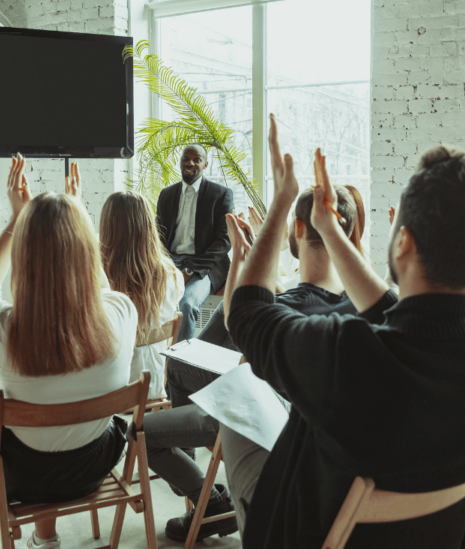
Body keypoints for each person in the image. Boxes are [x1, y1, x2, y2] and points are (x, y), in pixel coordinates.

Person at [222, 114, 465, 548]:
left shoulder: (348, 355)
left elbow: (247, 315)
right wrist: (328, 229)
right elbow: (401, 311)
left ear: (403, 242)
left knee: (233, 414)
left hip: (307, 533)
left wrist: (282, 203)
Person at [142, 186, 362, 543]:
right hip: (324, 446)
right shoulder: (363, 303)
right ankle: (203, 499)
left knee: (142, 430)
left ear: (300, 230)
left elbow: (245, 371)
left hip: (261, 427)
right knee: (182, 365)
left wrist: (244, 264)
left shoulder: (279, 312)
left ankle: (206, 501)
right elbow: (279, 291)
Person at [0, 157, 138, 549]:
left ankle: (45, 539)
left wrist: (16, 221)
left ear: (22, 257)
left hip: (23, 474)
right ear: (88, 251)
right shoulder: (122, 313)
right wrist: (77, 217)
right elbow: (102, 289)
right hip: (95, 463)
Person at [99, 189, 184, 399]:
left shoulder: (98, 278)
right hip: (152, 387)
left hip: (110, 394)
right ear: (148, 226)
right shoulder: (171, 276)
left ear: (106, 227)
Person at [155, 144, 234, 341]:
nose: (190, 163)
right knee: (150, 300)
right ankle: (155, 354)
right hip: (170, 262)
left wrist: (190, 270)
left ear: (205, 164)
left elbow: (224, 241)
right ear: (180, 161)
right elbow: (158, 236)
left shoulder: (221, 194)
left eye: (196, 159)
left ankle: (178, 364)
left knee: (188, 304)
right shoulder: (166, 194)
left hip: (204, 265)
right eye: (186, 158)